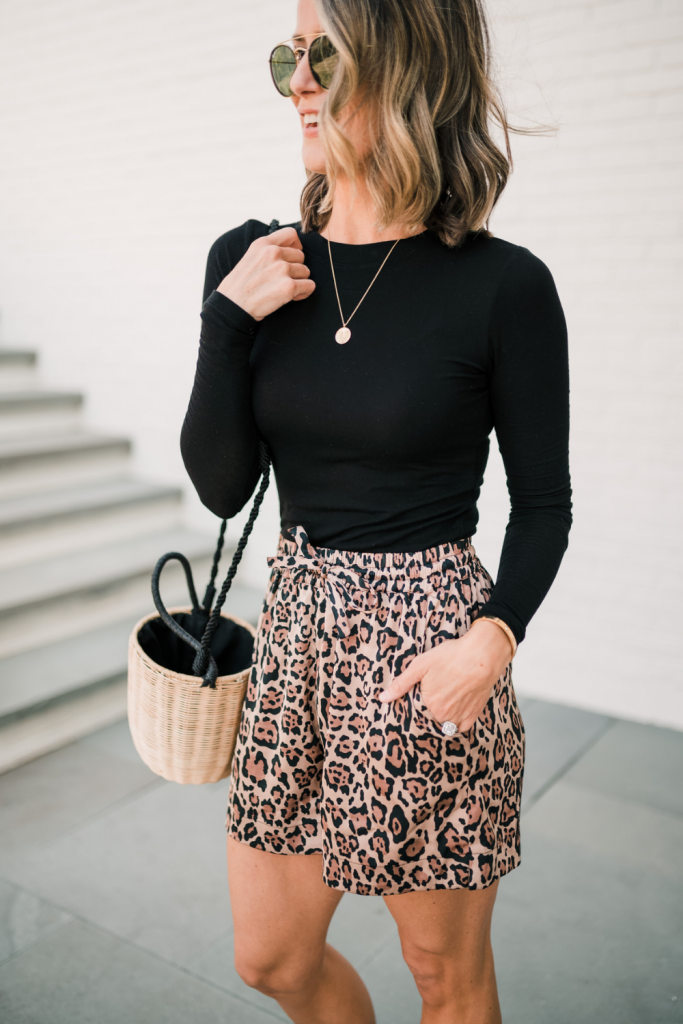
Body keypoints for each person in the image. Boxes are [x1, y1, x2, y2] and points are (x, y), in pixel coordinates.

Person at [180, 0, 571, 1020]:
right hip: (294, 639)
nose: (300, 82)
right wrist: (226, 322)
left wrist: (492, 639)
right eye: (287, 57)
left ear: (405, 70)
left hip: (424, 653)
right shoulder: (255, 261)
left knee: (444, 975)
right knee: (270, 958)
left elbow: (544, 505)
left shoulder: (502, 286)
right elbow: (222, 487)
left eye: (325, 55)